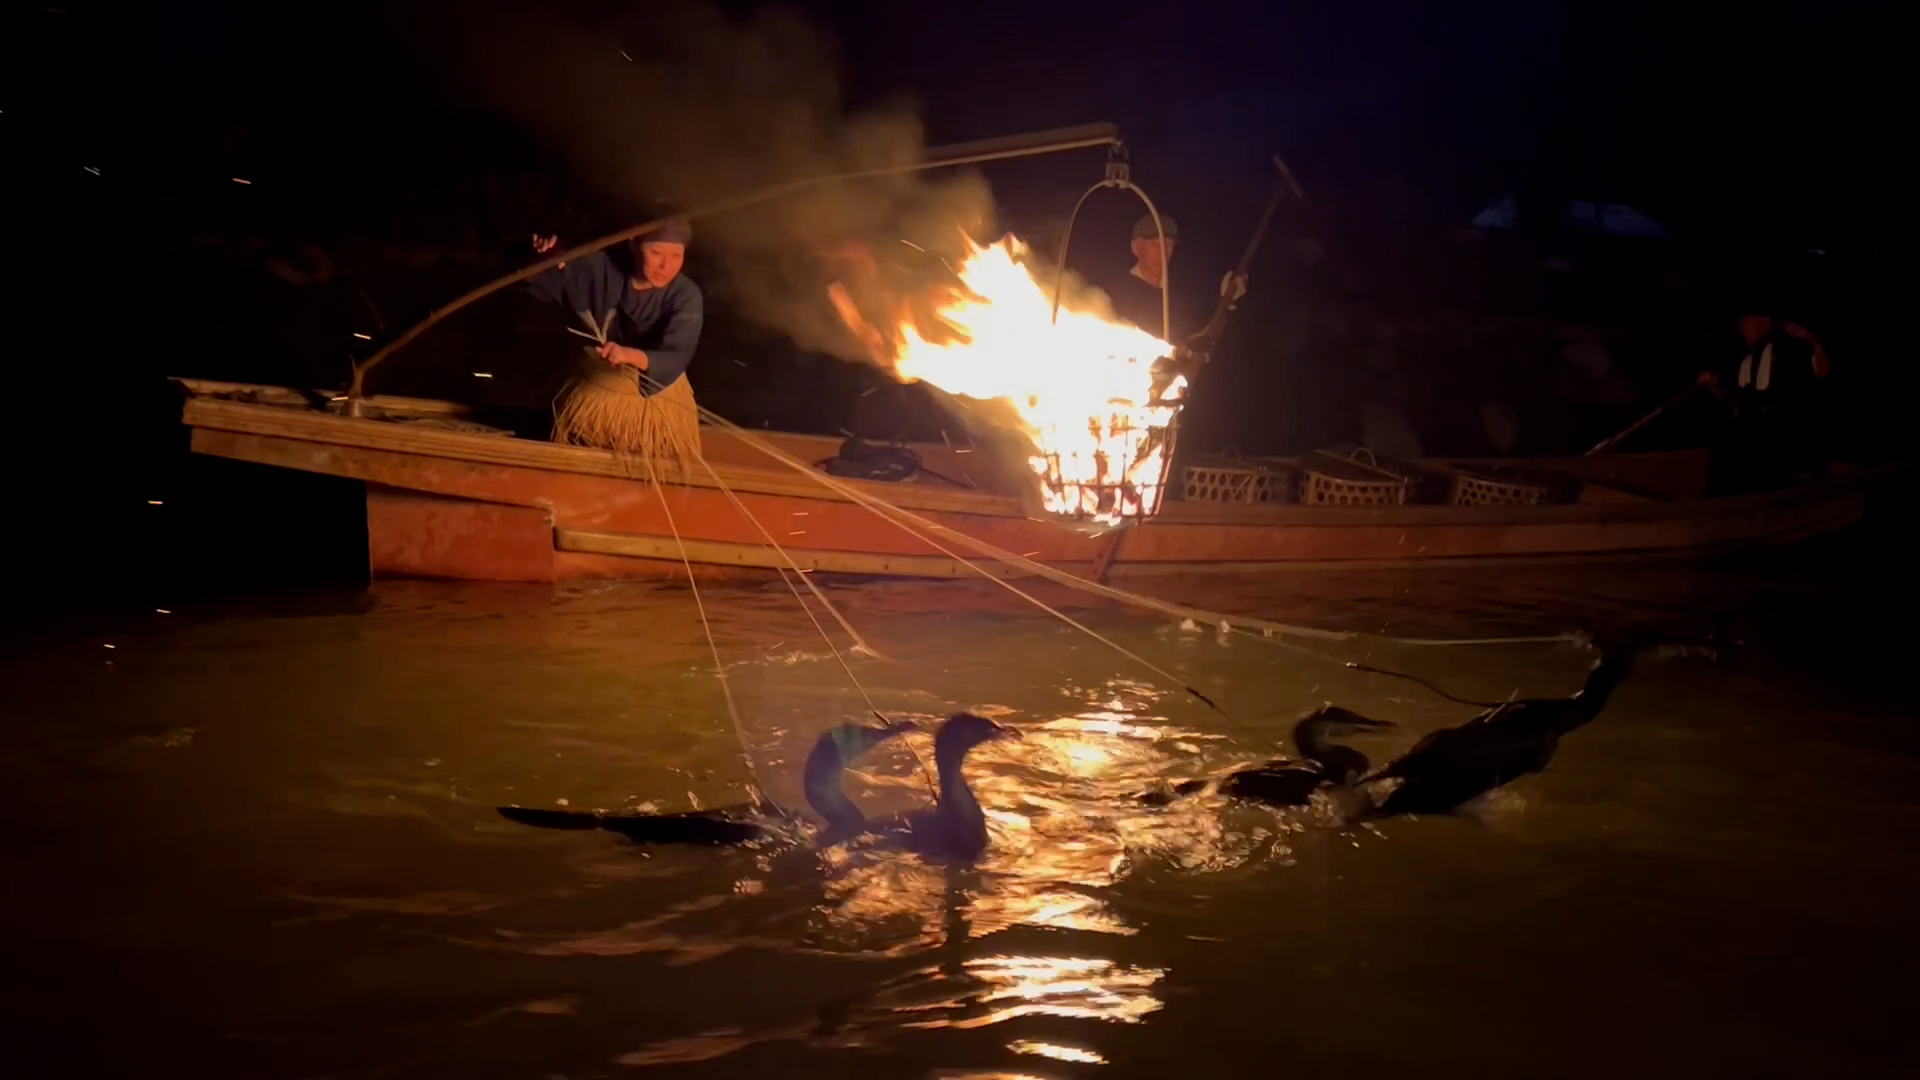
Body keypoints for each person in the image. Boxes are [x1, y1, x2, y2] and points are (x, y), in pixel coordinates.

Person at [527, 219, 704, 396]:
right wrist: (540, 255)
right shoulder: (599, 268)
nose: (665, 266)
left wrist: (628, 355)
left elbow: (676, 356)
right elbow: (537, 276)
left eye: (676, 256)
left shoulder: (686, 296)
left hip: (654, 395)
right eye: (656, 253)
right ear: (634, 245)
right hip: (594, 384)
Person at [1696, 312, 1833, 492]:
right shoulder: (1747, 358)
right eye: (1742, 323)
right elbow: (1740, 402)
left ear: (1765, 321)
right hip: (1757, 443)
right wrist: (1714, 387)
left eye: (1747, 321)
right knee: (1725, 450)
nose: (1743, 328)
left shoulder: (1788, 347)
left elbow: (1822, 375)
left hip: (1786, 443)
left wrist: (1811, 340)